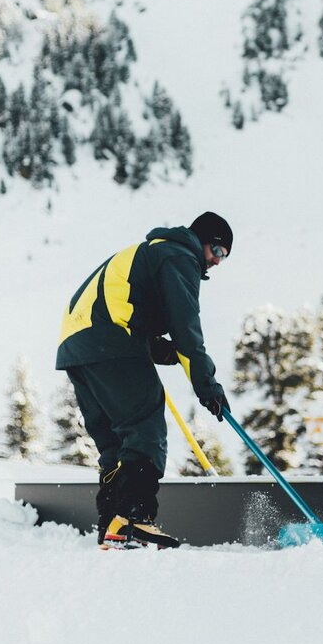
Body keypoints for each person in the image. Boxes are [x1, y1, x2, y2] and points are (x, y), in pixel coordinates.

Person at [55, 212, 233, 550]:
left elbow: (137, 315)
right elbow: (186, 329)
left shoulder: (152, 253)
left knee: (114, 443)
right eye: (219, 252)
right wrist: (207, 385)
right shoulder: (179, 256)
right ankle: (133, 517)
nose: (216, 263)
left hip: (77, 346)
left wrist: (165, 350)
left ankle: (112, 523)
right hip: (109, 339)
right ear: (204, 242)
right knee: (145, 423)